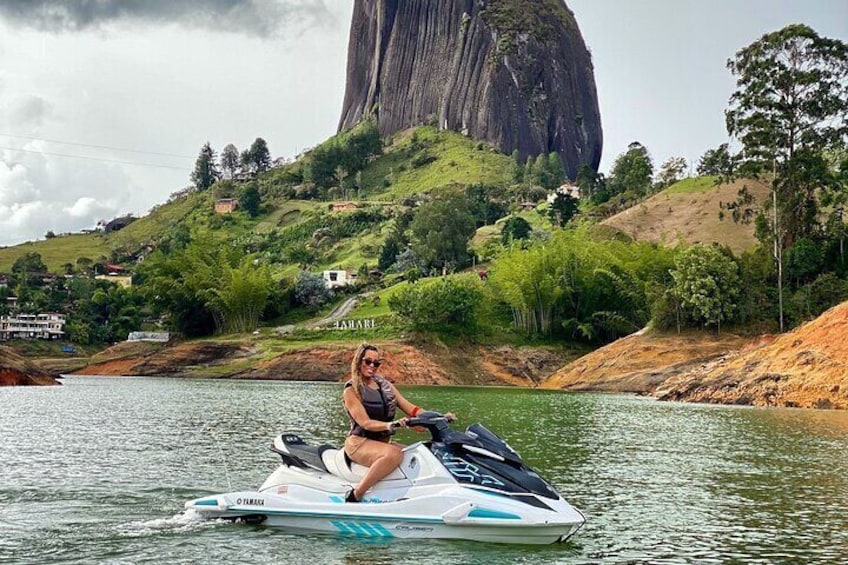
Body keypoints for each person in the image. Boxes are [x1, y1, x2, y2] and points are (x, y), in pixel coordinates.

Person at [342, 343, 452, 503]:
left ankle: (411, 495)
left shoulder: (386, 387)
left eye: (376, 363)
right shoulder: (351, 391)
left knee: (420, 453)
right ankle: (355, 495)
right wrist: (391, 425)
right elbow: (365, 423)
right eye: (368, 361)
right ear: (358, 361)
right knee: (395, 454)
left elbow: (412, 409)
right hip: (359, 443)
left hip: (382, 442)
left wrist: (440, 416)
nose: (372, 366)